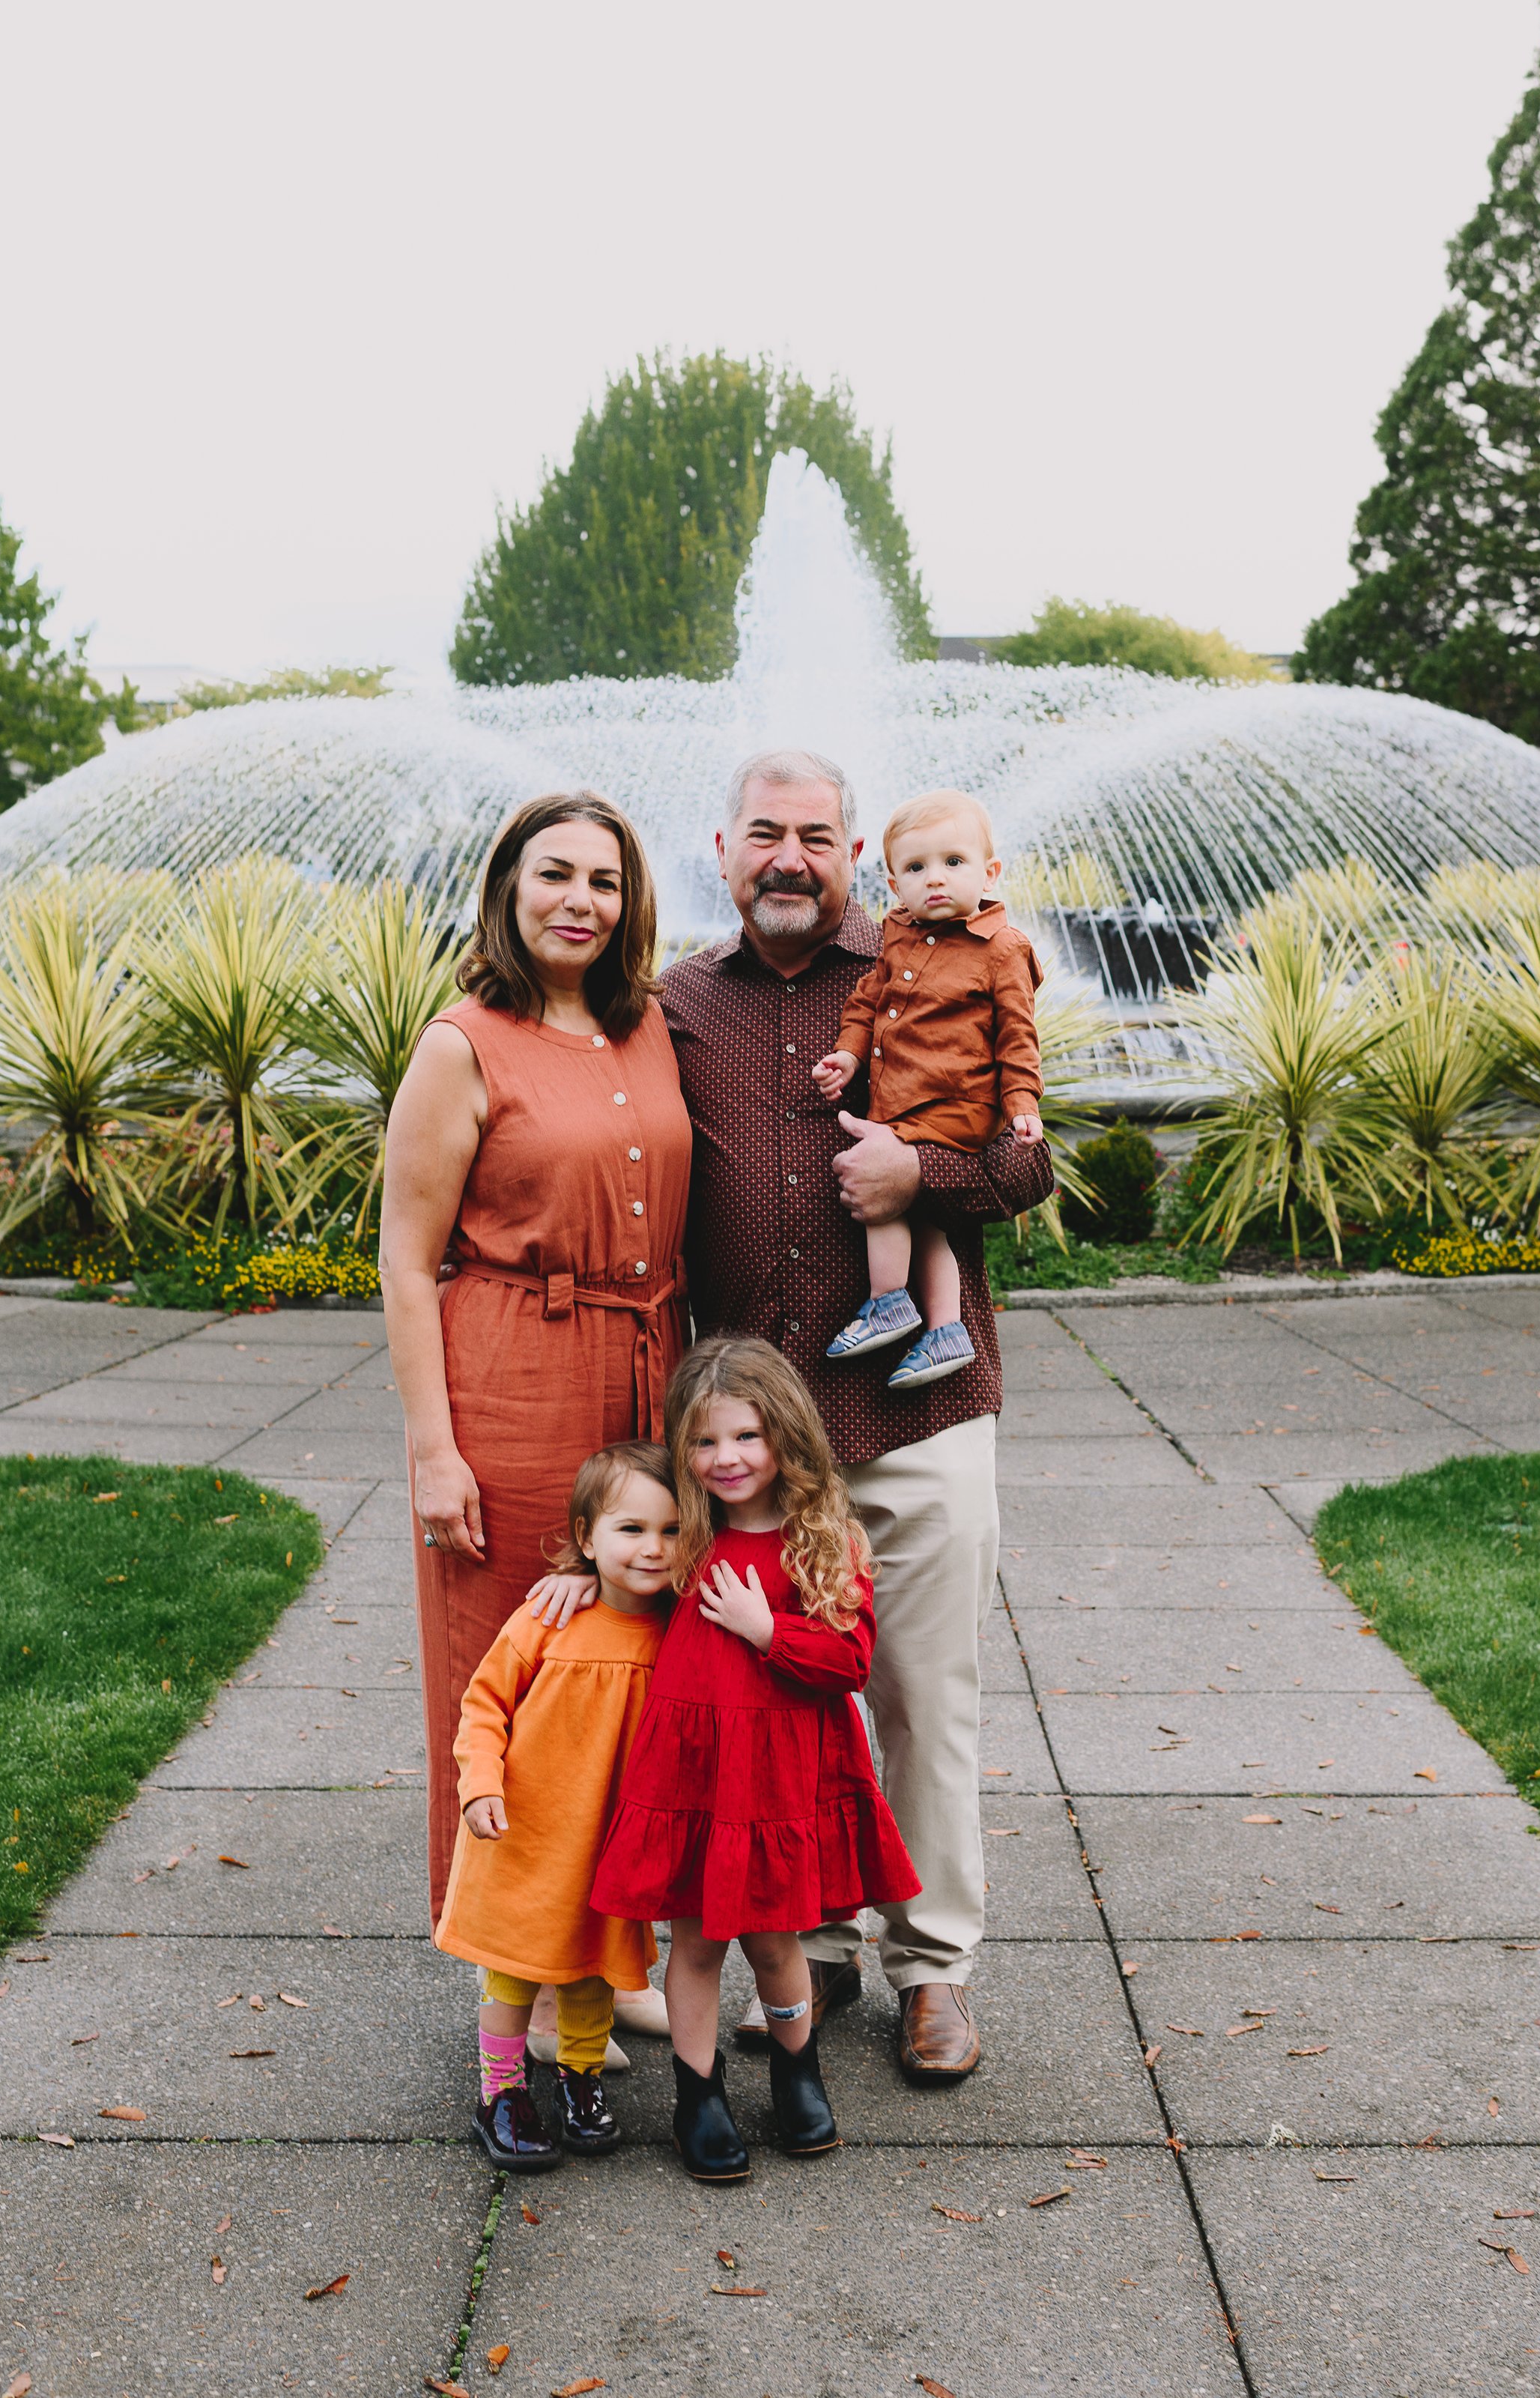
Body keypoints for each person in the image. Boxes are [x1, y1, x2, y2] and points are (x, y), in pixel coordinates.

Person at [658, 751, 1052, 2081]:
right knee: (779, 1703)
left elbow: (1025, 1163)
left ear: (854, 857)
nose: (788, 856)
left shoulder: (938, 961)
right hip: (761, 1456)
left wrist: (921, 1166)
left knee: (924, 1699)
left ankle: (933, 1968)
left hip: (919, 1409)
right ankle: (811, 1944)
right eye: (765, 833)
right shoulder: (678, 1004)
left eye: (815, 836)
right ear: (722, 848)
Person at [381, 790, 691, 2059]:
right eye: (554, 874)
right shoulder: (464, 1042)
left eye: (604, 882)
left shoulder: (650, 1026)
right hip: (509, 1381)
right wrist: (432, 1446)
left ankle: (603, 1960)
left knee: (625, 1675)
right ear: (508, 886)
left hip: (644, 1378)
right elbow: (407, 1258)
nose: (580, 899)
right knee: (506, 1673)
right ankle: (506, 1962)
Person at [590, 1336, 917, 2182]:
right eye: (703, 1441)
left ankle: (794, 2067)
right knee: (694, 1942)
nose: (724, 1458)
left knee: (778, 1940)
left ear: (786, 1436)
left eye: (745, 1436)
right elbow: (618, 1560)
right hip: (696, 1769)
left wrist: (766, 1631)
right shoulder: (685, 1533)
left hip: (777, 1773)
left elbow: (849, 1659)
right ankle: (697, 2093)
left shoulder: (824, 1536)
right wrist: (570, 1576)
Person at [435, 1441, 679, 2174]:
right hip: (528, 1830)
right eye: (631, 1529)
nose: (652, 1547)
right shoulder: (546, 1618)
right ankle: (501, 2092)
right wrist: (480, 1783)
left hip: (610, 1837)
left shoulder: (678, 1632)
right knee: (511, 1971)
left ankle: (580, 2077)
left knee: (590, 1968)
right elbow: (484, 1705)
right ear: (586, 1538)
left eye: (671, 1531)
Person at [815, 789, 1043, 1389]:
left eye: (953, 862)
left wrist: (1022, 1104)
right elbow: (869, 999)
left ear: (990, 872)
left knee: (879, 1180)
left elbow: (1017, 1035)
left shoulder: (1002, 948)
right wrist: (847, 1052)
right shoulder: (899, 935)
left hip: (957, 1106)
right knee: (928, 1217)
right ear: (894, 884)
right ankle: (946, 1329)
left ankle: (889, 1298)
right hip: (906, 1102)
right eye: (916, 868)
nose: (934, 880)